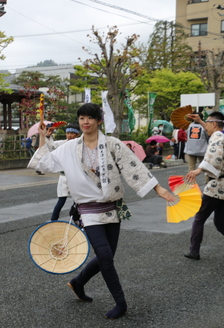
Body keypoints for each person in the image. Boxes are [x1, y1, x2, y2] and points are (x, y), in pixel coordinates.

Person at [28, 103, 174, 319]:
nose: (85, 122)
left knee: (108, 256)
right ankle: (121, 303)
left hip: (112, 208)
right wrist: (42, 137)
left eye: (89, 118)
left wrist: (159, 189)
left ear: (98, 121)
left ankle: (78, 282)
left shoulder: (113, 145)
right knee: (104, 255)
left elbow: (134, 167)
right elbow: (44, 163)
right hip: (87, 210)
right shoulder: (69, 148)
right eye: (81, 118)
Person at [183, 112, 224, 260]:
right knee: (220, 222)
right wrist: (200, 120)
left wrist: (199, 169)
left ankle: (194, 251)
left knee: (200, 217)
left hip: (216, 186)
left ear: (214, 124)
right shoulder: (221, 134)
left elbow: (215, 157)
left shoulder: (218, 136)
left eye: (207, 123)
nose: (204, 126)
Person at [50, 123, 81, 221]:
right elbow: (50, 146)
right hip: (64, 177)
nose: (70, 135)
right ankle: (53, 221)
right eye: (68, 133)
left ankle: (78, 220)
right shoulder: (61, 144)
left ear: (77, 134)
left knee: (78, 200)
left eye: (72, 133)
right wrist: (47, 136)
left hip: (77, 177)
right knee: (61, 201)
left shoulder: (81, 144)